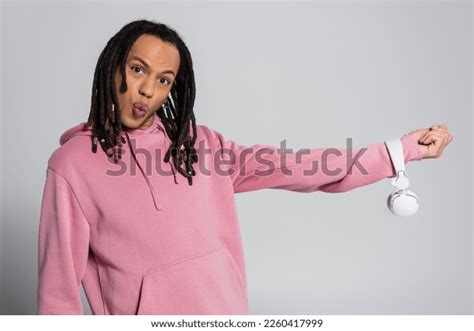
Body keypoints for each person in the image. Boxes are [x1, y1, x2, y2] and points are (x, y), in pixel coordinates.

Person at [36, 19, 453, 315]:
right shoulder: (72, 166)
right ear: (114, 66)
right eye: (138, 68)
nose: (147, 88)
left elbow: (300, 166)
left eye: (164, 79)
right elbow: (58, 291)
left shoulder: (202, 146)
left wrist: (400, 151)